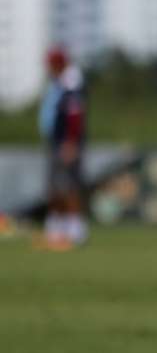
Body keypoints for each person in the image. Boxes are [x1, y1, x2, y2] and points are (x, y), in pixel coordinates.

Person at [38, 46, 89, 249]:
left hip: (67, 143)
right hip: (57, 141)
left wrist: (70, 141)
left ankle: (75, 230)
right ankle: (57, 228)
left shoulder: (72, 82)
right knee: (56, 186)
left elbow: (75, 115)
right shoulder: (59, 82)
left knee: (69, 186)